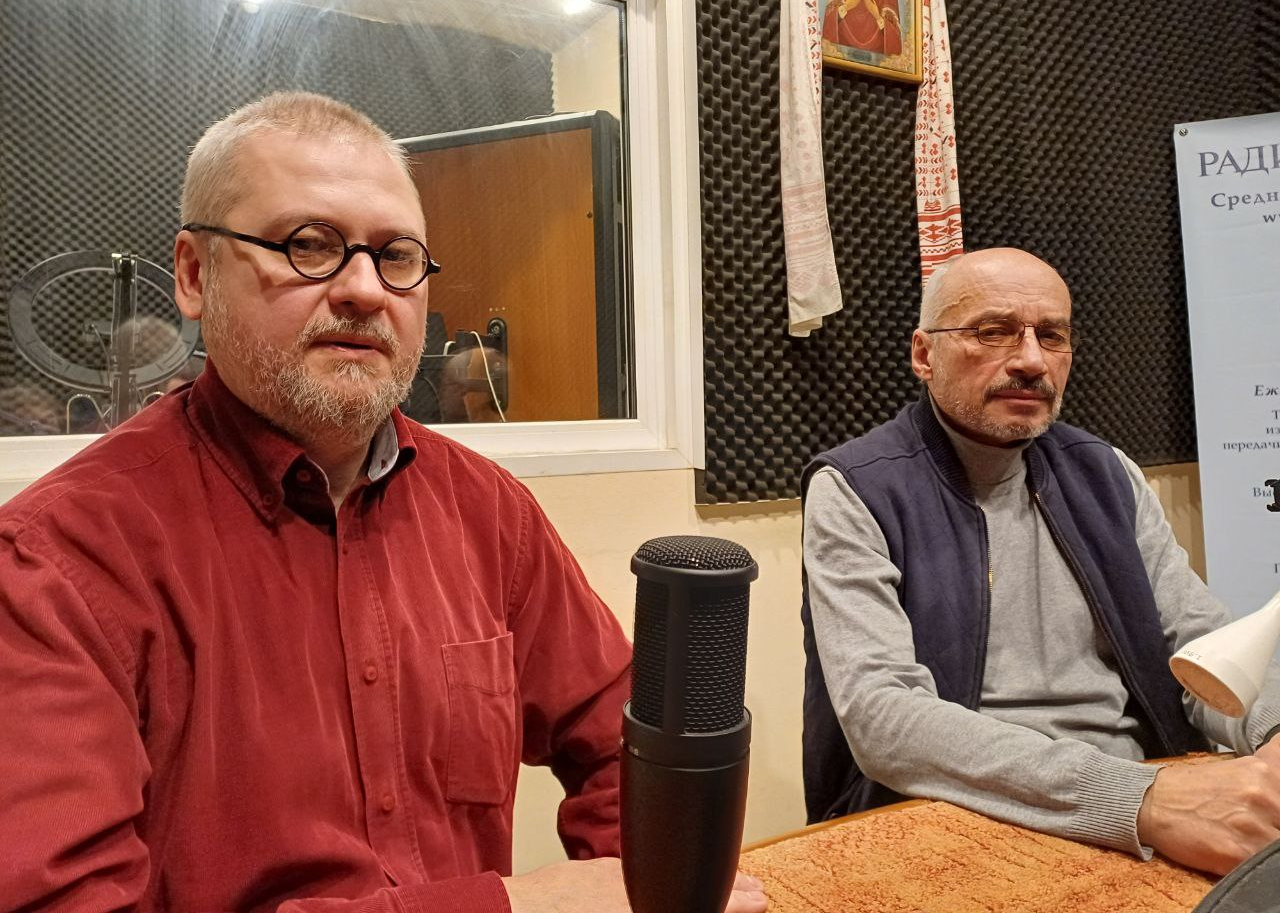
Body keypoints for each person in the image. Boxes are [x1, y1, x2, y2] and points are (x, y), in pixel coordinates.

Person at [0, 92, 768, 913]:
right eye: (309, 245)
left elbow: (627, 740)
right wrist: (509, 908)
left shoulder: (488, 513)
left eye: (397, 255)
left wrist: (652, 886)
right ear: (194, 274)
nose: (365, 289)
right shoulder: (56, 564)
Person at [801, 247, 1280, 877]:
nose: (1030, 360)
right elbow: (885, 718)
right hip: (961, 810)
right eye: (992, 332)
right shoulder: (855, 489)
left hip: (1147, 791)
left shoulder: (1108, 473)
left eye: (1051, 336)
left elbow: (1199, 645)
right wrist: (1139, 800)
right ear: (924, 354)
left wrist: (1274, 733)